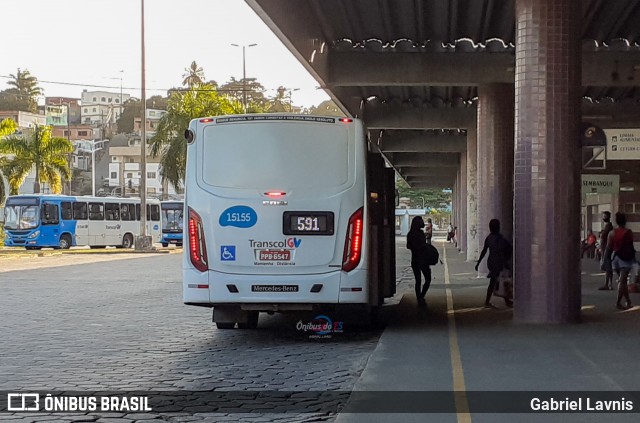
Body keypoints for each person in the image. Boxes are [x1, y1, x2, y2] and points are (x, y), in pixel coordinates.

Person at [475, 219, 513, 308]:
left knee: (497, 281)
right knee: (503, 281)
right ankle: (494, 301)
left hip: (491, 262)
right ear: (498, 227)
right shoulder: (500, 238)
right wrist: (506, 260)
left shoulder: (489, 238)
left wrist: (478, 262)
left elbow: (484, 251)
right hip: (499, 262)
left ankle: (491, 301)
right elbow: (509, 248)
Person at [604, 212, 634, 310]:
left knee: (623, 282)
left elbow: (608, 248)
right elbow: (630, 246)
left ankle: (628, 302)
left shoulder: (611, 233)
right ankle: (618, 303)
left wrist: (605, 260)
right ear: (625, 221)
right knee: (622, 281)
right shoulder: (628, 232)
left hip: (615, 259)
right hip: (625, 259)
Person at [406, 216, 432, 305]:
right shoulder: (420, 233)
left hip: (415, 259)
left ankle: (419, 297)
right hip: (423, 259)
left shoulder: (410, 234)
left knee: (418, 280)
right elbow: (423, 245)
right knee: (428, 278)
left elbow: (408, 246)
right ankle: (421, 296)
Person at [598, 211, 614, 290]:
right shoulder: (607, 226)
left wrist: (601, 233)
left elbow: (603, 236)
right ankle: (609, 284)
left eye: (605, 216)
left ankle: (607, 284)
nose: (603, 218)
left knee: (607, 266)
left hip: (606, 249)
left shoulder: (608, 226)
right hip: (606, 248)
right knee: (609, 267)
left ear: (608, 217)